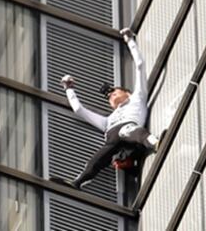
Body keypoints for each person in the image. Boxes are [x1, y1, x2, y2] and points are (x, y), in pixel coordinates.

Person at [51, 28, 164, 190]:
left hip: (129, 128)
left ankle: (154, 142)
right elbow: (79, 110)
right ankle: (78, 182)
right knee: (98, 158)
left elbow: (140, 65)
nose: (111, 96)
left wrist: (129, 40)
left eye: (114, 91)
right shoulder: (107, 120)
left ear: (127, 92)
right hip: (111, 136)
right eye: (109, 97)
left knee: (129, 131)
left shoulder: (137, 98)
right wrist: (69, 88)